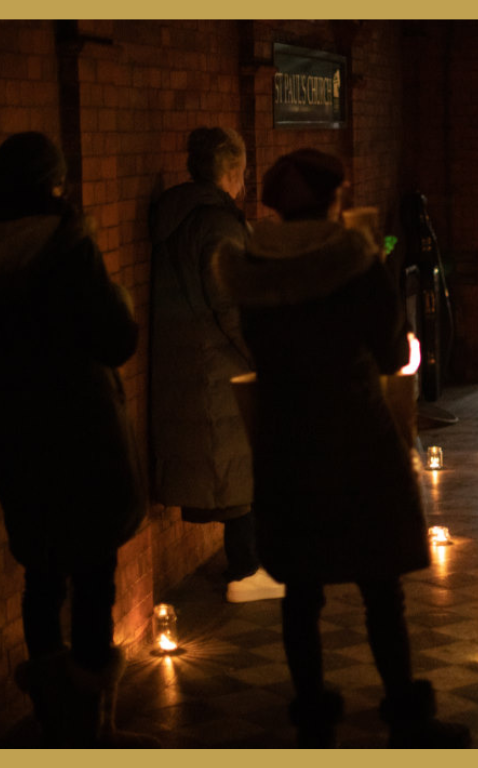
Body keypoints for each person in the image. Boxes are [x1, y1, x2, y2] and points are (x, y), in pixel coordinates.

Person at [214, 149, 470, 748]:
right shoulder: (353, 261)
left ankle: (313, 722)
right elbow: (388, 355)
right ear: (333, 199)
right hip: (356, 438)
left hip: (284, 439)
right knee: (381, 585)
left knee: (300, 592)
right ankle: (406, 717)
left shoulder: (249, 265)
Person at [0, 132, 158, 747]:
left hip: (16, 436)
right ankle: (92, 723)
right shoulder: (64, 245)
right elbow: (115, 337)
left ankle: (52, 718)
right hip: (80, 434)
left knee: (41, 574)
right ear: (50, 184)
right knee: (94, 573)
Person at [149, 127, 284, 604]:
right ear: (230, 172)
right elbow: (234, 305)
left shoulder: (179, 216)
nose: (244, 182)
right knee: (238, 470)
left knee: (235, 471)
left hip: (197, 365)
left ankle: (250, 567)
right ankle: (246, 571)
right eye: (243, 172)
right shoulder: (217, 225)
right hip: (219, 369)